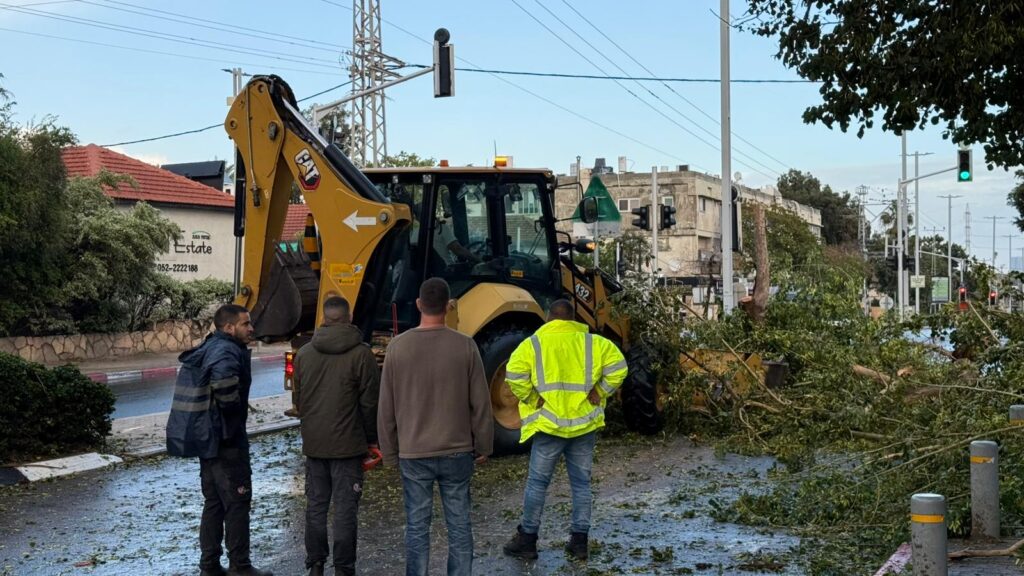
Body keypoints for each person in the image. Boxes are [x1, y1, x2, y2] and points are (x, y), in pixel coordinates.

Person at [377, 278, 494, 576]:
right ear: (448, 306)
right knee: (459, 525)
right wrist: (484, 445)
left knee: (417, 526)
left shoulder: (397, 348)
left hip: (413, 454)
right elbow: (481, 404)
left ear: (418, 305)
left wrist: (389, 454)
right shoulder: (466, 347)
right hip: (457, 452)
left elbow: (386, 409)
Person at [501, 299, 628, 562]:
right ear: (572, 318)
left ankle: (527, 541)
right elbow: (620, 367)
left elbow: (513, 374)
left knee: (537, 484)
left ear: (549, 318)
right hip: (583, 424)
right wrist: (600, 391)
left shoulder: (533, 344)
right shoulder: (595, 343)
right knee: (581, 484)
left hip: (549, 425)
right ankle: (579, 543)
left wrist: (534, 399)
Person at [165, 304, 273, 576]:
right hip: (225, 440)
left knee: (213, 503)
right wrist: (233, 416)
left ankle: (210, 566)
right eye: (246, 324)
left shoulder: (211, 346)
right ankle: (241, 566)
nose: (251, 328)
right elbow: (224, 385)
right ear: (229, 327)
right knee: (237, 502)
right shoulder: (226, 350)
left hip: (208, 440)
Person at [294, 296, 380, 576]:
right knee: (345, 510)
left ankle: (316, 564)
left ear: (324, 317)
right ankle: (344, 568)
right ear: (349, 316)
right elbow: (369, 403)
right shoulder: (362, 355)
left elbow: (300, 400)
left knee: (316, 507)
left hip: (314, 443)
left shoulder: (305, 353)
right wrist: (371, 439)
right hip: (348, 446)